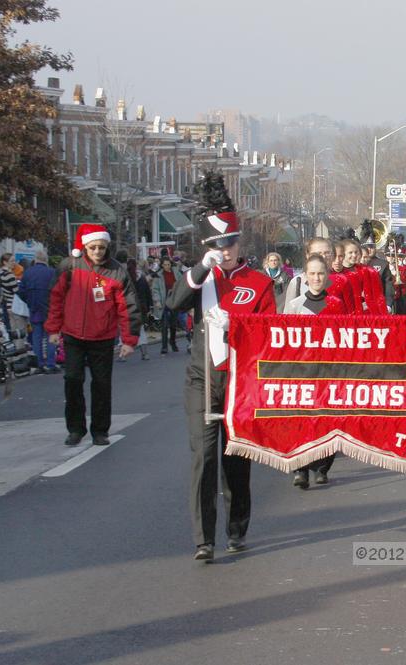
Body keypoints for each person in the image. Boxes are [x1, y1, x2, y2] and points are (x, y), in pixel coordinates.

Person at [167, 171, 276, 563]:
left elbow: (269, 334)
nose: (225, 250)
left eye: (229, 242)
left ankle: (236, 528)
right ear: (207, 245)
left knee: (235, 461)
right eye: (217, 244)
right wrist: (199, 270)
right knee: (203, 458)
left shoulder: (259, 282)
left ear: (238, 241)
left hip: (239, 381)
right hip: (202, 378)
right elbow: (172, 304)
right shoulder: (201, 278)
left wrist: (241, 328)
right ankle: (203, 540)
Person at [46, 224, 141, 446]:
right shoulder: (69, 266)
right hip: (73, 335)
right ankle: (75, 428)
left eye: (101, 247)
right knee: (72, 380)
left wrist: (129, 340)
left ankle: (100, 430)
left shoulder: (117, 271)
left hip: (102, 337)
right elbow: (56, 298)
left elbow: (128, 307)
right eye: (93, 247)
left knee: (101, 385)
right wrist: (53, 328)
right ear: (85, 247)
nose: (98, 251)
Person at [284, 253, 350, 488]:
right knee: (301, 420)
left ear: (327, 275)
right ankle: (300, 469)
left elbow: (345, 338)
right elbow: (284, 338)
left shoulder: (336, 304)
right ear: (306, 275)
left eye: (321, 273)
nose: (316, 278)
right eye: (312, 273)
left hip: (329, 370)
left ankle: (322, 466)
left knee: (327, 418)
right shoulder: (294, 305)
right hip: (302, 370)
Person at [19, 251, 60, 373]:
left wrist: (29, 301)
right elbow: (58, 291)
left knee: (36, 336)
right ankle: (51, 363)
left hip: (34, 308)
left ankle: (39, 363)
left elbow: (21, 291)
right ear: (46, 260)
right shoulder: (52, 272)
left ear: (35, 260)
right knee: (51, 336)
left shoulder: (27, 273)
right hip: (50, 309)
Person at [151, 258, 182, 354]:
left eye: (168, 264)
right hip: (164, 302)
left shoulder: (176, 273)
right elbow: (155, 289)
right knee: (164, 325)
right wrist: (157, 301)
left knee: (173, 324)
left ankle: (172, 342)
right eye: (165, 265)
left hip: (174, 301)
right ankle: (164, 346)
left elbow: (182, 284)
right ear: (162, 265)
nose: (167, 266)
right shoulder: (159, 275)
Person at [125, 258, 151, 361]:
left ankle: (123, 354)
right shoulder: (142, 278)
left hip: (128, 305)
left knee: (125, 328)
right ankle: (145, 353)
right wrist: (149, 306)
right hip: (141, 306)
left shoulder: (125, 278)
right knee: (140, 329)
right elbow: (147, 292)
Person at [0, 253, 18, 329]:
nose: (14, 263)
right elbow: (16, 291)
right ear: (5, 262)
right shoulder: (10, 275)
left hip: (5, 301)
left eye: (14, 261)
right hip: (12, 303)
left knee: (7, 324)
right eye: (12, 261)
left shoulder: (1, 273)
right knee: (13, 326)